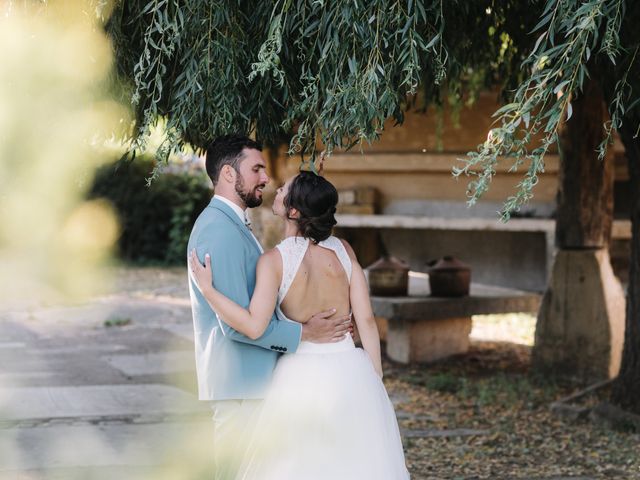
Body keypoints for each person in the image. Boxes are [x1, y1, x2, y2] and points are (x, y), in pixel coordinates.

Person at [189, 168, 410, 479]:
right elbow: (367, 322)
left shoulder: (273, 262)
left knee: (298, 465)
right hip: (351, 370)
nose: (275, 191)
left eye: (283, 190)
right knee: (353, 464)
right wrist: (375, 380)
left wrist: (209, 291)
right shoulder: (344, 251)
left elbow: (253, 326)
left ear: (292, 211)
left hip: (299, 375)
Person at [186, 135, 352, 480]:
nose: (265, 177)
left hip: (251, 383)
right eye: (256, 168)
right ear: (230, 175)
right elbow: (234, 323)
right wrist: (303, 333)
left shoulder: (232, 223)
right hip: (241, 384)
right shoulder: (219, 230)